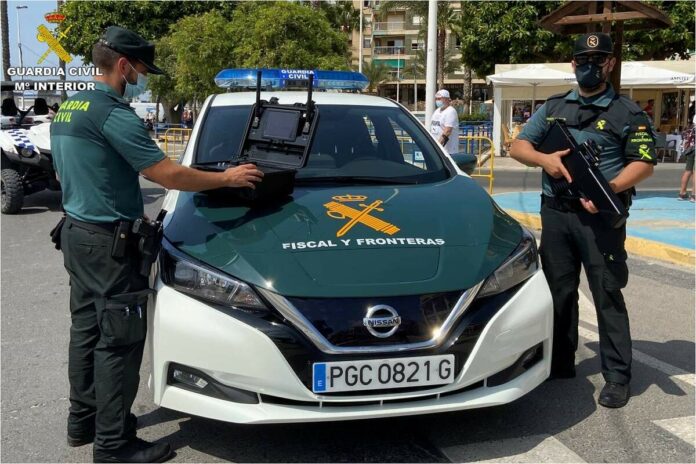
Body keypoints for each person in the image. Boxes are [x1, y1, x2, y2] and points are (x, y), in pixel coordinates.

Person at [49, 26, 263, 463]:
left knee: (86, 330)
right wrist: (227, 177)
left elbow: (71, 171)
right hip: (108, 244)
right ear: (123, 65)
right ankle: (114, 444)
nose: (143, 79)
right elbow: (165, 174)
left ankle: (82, 422)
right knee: (119, 339)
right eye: (142, 70)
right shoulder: (113, 113)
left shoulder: (69, 107)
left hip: (76, 233)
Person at [509, 32, 656, 409]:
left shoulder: (628, 113)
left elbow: (643, 163)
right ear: (573, 64)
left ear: (610, 63)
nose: (590, 66)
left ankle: (617, 377)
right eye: (583, 61)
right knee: (558, 291)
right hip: (556, 214)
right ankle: (559, 363)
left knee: (607, 294)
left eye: (598, 60)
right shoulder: (554, 106)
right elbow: (518, 146)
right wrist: (545, 160)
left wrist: (608, 188)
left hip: (599, 218)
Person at [429, 89, 459, 154]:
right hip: (437, 151)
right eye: (436, 99)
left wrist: (438, 146)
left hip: (448, 151)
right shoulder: (437, 111)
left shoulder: (451, 111)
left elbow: (447, 131)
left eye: (439, 99)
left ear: (447, 99)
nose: (437, 101)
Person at [678, 123, 695, 202]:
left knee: (688, 171)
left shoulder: (690, 129)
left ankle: (682, 193)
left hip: (690, 150)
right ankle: (694, 195)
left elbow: (685, 139)